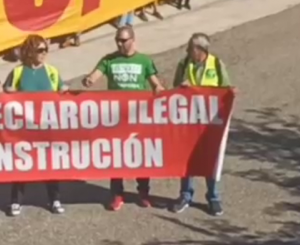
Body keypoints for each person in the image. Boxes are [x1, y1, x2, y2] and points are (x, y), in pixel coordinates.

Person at [82, 25, 165, 210]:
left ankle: (143, 192)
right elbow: (95, 75)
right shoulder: (109, 60)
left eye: (123, 40)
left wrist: (159, 89)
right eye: (117, 40)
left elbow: (154, 82)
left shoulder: (144, 60)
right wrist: (89, 79)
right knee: (117, 155)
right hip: (116, 117)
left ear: (132, 40)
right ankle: (116, 193)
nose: (120, 44)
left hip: (139, 115)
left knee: (141, 154)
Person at [3, 34, 67, 216]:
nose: (44, 53)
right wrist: (10, 91)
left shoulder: (51, 71)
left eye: (46, 49)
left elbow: (60, 90)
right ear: (30, 51)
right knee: (22, 164)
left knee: (50, 165)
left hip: (47, 126)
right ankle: (16, 201)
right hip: (24, 128)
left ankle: (55, 199)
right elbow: (7, 91)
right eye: (40, 50)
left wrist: (64, 90)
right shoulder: (18, 72)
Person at [170, 33, 230, 217]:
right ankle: (185, 195)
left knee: (210, 159)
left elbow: (226, 90)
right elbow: (174, 90)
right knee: (187, 160)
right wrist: (182, 87)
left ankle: (213, 197)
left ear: (200, 50)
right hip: (188, 120)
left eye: (190, 48)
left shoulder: (217, 64)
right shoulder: (183, 64)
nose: (187, 52)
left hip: (210, 123)